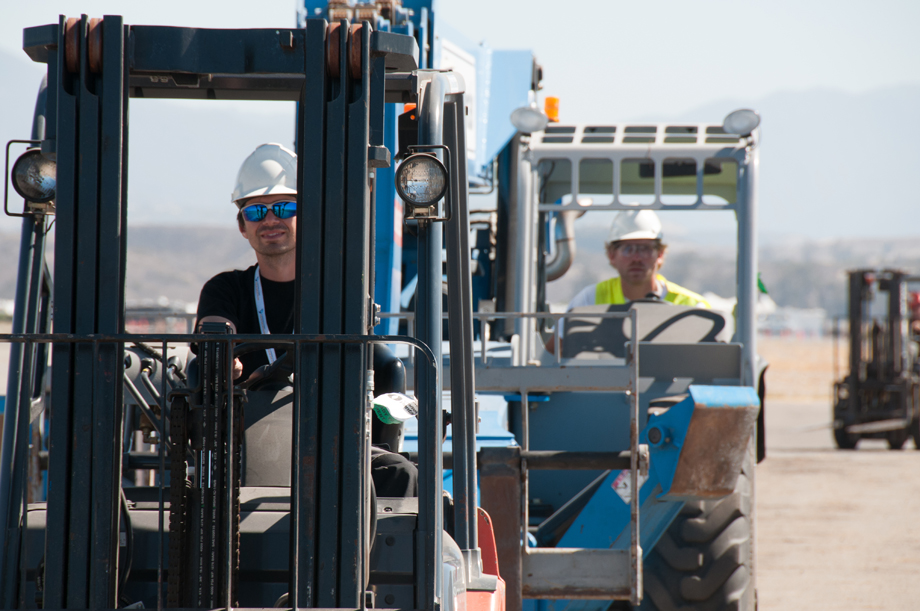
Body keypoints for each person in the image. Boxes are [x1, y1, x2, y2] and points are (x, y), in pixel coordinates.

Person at [195, 143, 417, 498]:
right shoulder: (227, 289)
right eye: (256, 212)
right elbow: (215, 334)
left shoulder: (337, 293)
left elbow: (377, 365)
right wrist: (223, 361)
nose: (270, 220)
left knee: (399, 473)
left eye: (284, 208)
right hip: (247, 439)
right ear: (242, 226)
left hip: (328, 438)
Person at [547, 209, 709, 353]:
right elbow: (553, 352)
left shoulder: (693, 306)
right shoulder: (589, 300)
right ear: (612, 255)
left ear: (660, 255)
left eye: (645, 249)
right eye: (628, 249)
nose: (636, 258)